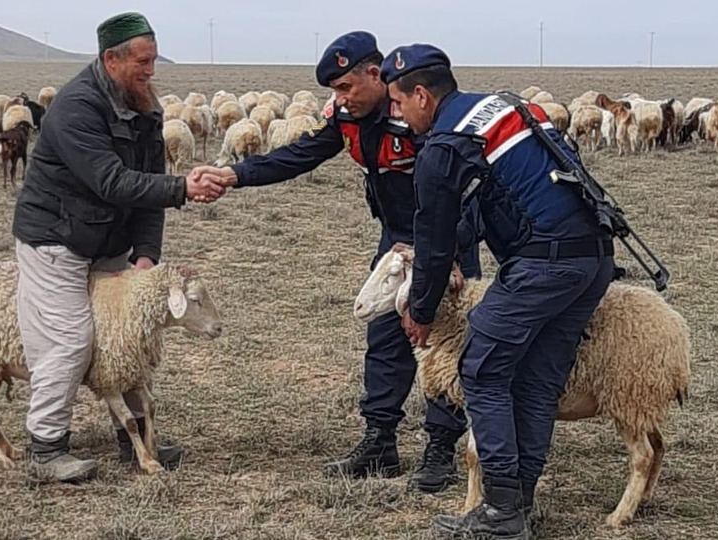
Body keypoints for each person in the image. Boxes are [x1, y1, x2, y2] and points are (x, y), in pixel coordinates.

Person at [192, 31, 479, 493]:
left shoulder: (420, 113)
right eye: (334, 90)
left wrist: (447, 255)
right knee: (384, 335)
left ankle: (441, 450)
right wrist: (235, 174)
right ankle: (380, 442)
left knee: (444, 343)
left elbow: (453, 190)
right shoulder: (346, 117)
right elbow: (301, 154)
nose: (339, 98)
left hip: (447, 237)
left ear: (375, 74)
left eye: (345, 87)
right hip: (395, 240)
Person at [380, 44, 616, 539]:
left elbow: (436, 235)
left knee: (481, 370)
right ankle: (518, 504)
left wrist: (421, 310)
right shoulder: (504, 107)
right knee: (535, 380)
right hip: (592, 257)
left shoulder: (443, 146)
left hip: (544, 265)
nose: (395, 113)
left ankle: (502, 511)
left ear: (421, 95)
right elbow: (493, 205)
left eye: (398, 102)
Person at [11, 11, 229, 483]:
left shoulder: (146, 108)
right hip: (56, 239)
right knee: (69, 341)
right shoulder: (75, 108)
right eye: (143, 62)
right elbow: (112, 181)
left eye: (153, 61)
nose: (151, 71)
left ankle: (136, 440)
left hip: (108, 237)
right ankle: (46, 447)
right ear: (111, 59)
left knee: (126, 340)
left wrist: (146, 258)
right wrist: (184, 188)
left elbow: (146, 188)